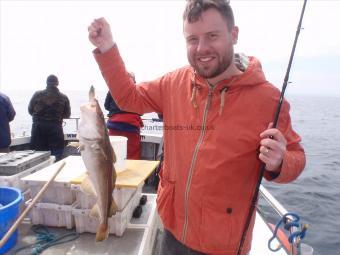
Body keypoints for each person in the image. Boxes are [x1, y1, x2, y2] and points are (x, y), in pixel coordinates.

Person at [88, 1, 306, 254]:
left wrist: (279, 162)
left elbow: (297, 157)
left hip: (224, 244)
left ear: (233, 34)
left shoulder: (268, 100)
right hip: (171, 228)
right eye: (192, 39)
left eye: (212, 36)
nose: (202, 48)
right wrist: (107, 48)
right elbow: (128, 98)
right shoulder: (173, 82)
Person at [28, 74, 71, 161]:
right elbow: (67, 114)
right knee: (56, 154)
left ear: (46, 83)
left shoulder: (37, 94)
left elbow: (30, 110)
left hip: (38, 127)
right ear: (57, 83)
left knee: (37, 154)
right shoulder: (64, 97)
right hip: (55, 127)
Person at [104, 72, 143, 159]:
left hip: (114, 126)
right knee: (132, 153)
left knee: (114, 152)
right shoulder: (138, 90)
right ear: (134, 80)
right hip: (132, 127)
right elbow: (142, 110)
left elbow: (106, 106)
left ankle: (114, 170)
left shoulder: (113, 89)